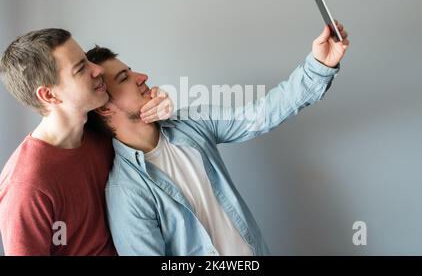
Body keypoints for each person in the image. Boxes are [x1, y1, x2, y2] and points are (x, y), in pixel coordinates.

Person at [85, 21, 349, 256]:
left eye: (130, 71)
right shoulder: (126, 192)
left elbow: (261, 115)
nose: (142, 77)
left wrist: (319, 66)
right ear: (104, 107)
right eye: (124, 78)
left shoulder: (190, 124)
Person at [0, 29, 173, 255]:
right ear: (49, 96)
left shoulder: (101, 134)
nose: (97, 69)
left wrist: (162, 107)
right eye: (81, 68)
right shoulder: (26, 185)